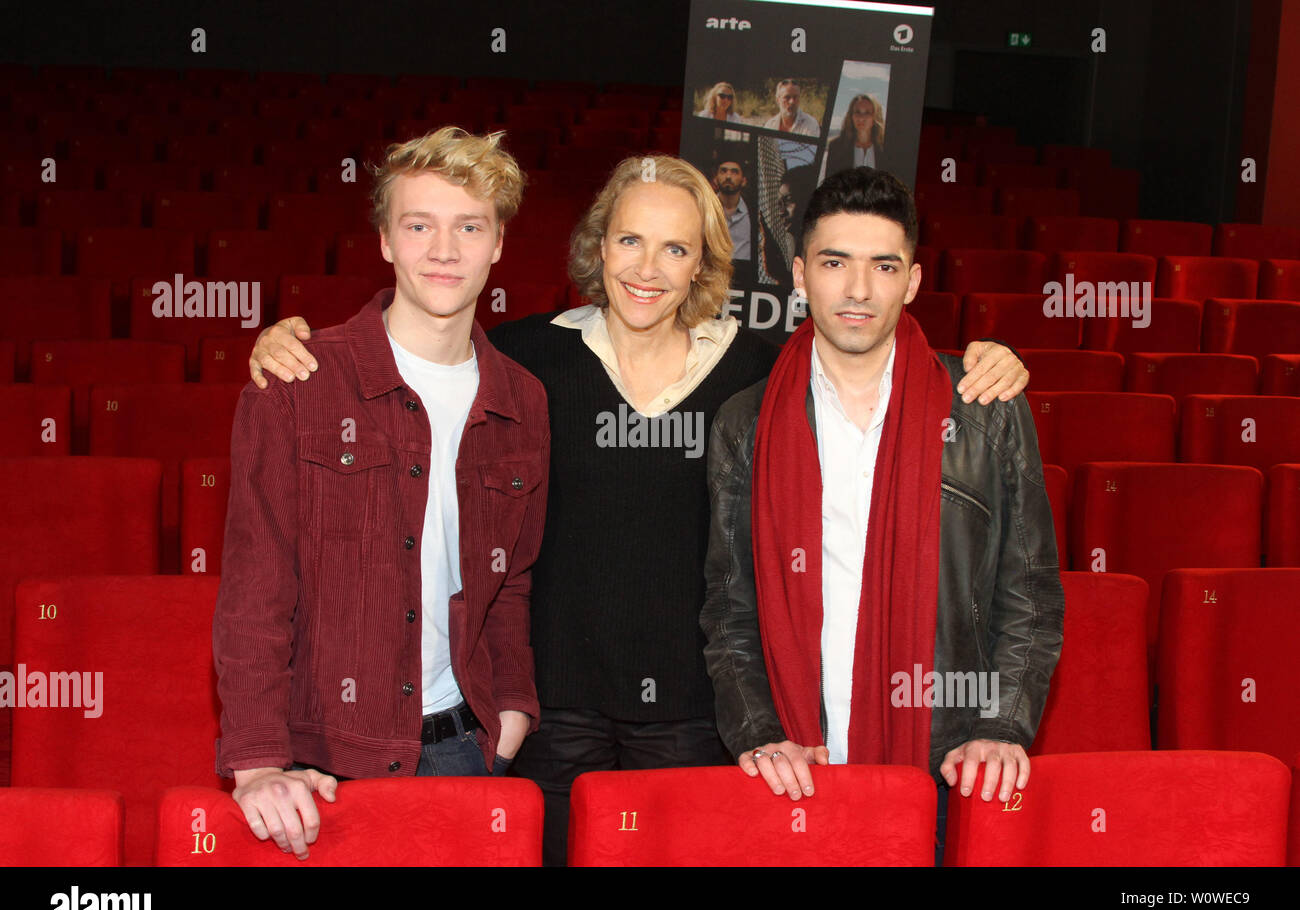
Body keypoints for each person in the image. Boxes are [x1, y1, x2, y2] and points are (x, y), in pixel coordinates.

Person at [247, 155, 1031, 866]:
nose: (648, 268)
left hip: (697, 718)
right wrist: (294, 344)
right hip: (554, 715)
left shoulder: (758, 378)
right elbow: (419, 347)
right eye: (629, 242)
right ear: (599, 247)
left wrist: (985, 357)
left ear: (702, 266)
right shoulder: (524, 359)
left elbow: (861, 353)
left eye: (676, 249)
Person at [700, 167, 1063, 865]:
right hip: (794, 766)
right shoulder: (744, 423)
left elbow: (1031, 594)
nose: (859, 290)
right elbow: (729, 604)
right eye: (835, 263)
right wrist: (755, 731)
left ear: (914, 281)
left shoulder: (985, 411)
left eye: (883, 266)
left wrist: (1003, 725)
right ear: (800, 274)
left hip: (943, 761)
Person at [212, 127, 550, 860]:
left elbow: (510, 580)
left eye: (469, 227)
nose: (444, 249)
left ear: (498, 245)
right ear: (386, 242)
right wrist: (259, 760)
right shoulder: (300, 380)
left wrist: (514, 708)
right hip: (319, 761)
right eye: (419, 225)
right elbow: (254, 587)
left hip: (465, 747)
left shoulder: (523, 399)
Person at [825, 93, 885, 175]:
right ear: (851, 116)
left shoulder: (886, 148)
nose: (861, 118)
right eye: (857, 112)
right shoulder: (836, 147)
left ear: (876, 116)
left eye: (867, 113)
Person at [712, 152, 751, 260]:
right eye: (723, 171)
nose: (728, 176)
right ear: (715, 179)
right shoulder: (704, 209)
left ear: (744, 181)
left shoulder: (753, 213)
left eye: (734, 172)